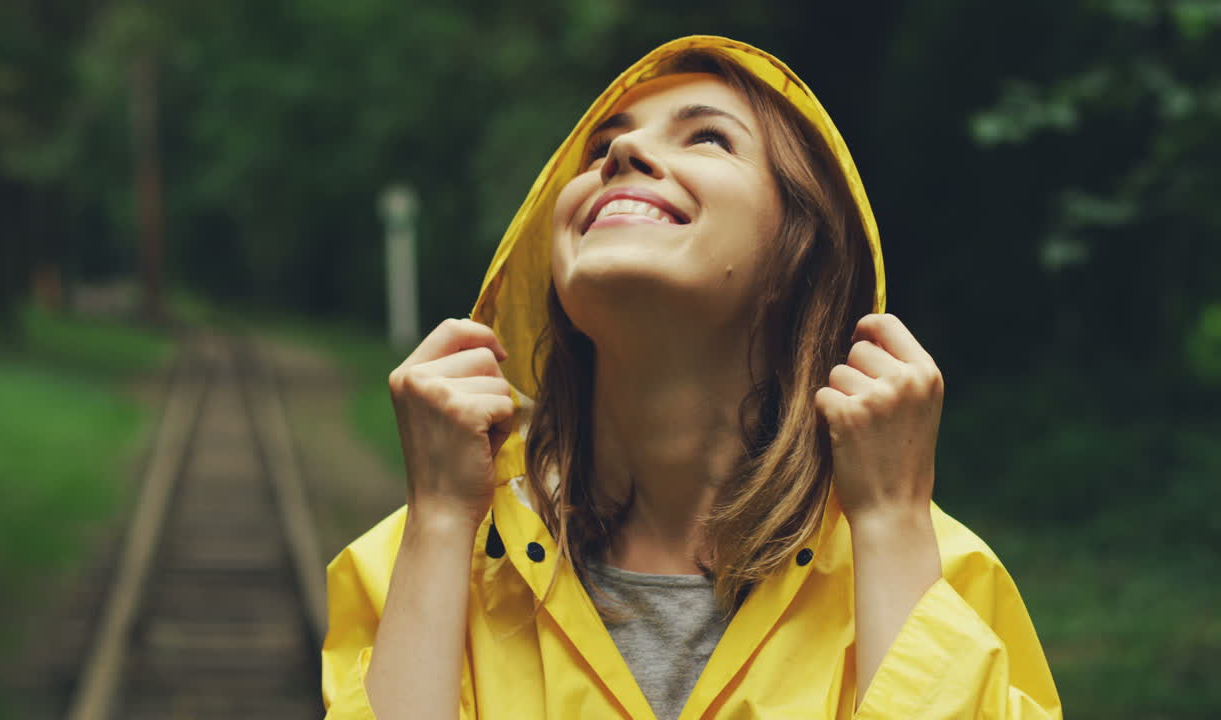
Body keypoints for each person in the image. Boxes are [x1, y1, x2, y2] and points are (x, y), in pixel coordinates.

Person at [321, 36, 1063, 719]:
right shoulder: (420, 553)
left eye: (707, 137)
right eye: (602, 146)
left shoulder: (935, 570)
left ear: (797, 262)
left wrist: (894, 524)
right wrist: (443, 517)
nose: (623, 152)